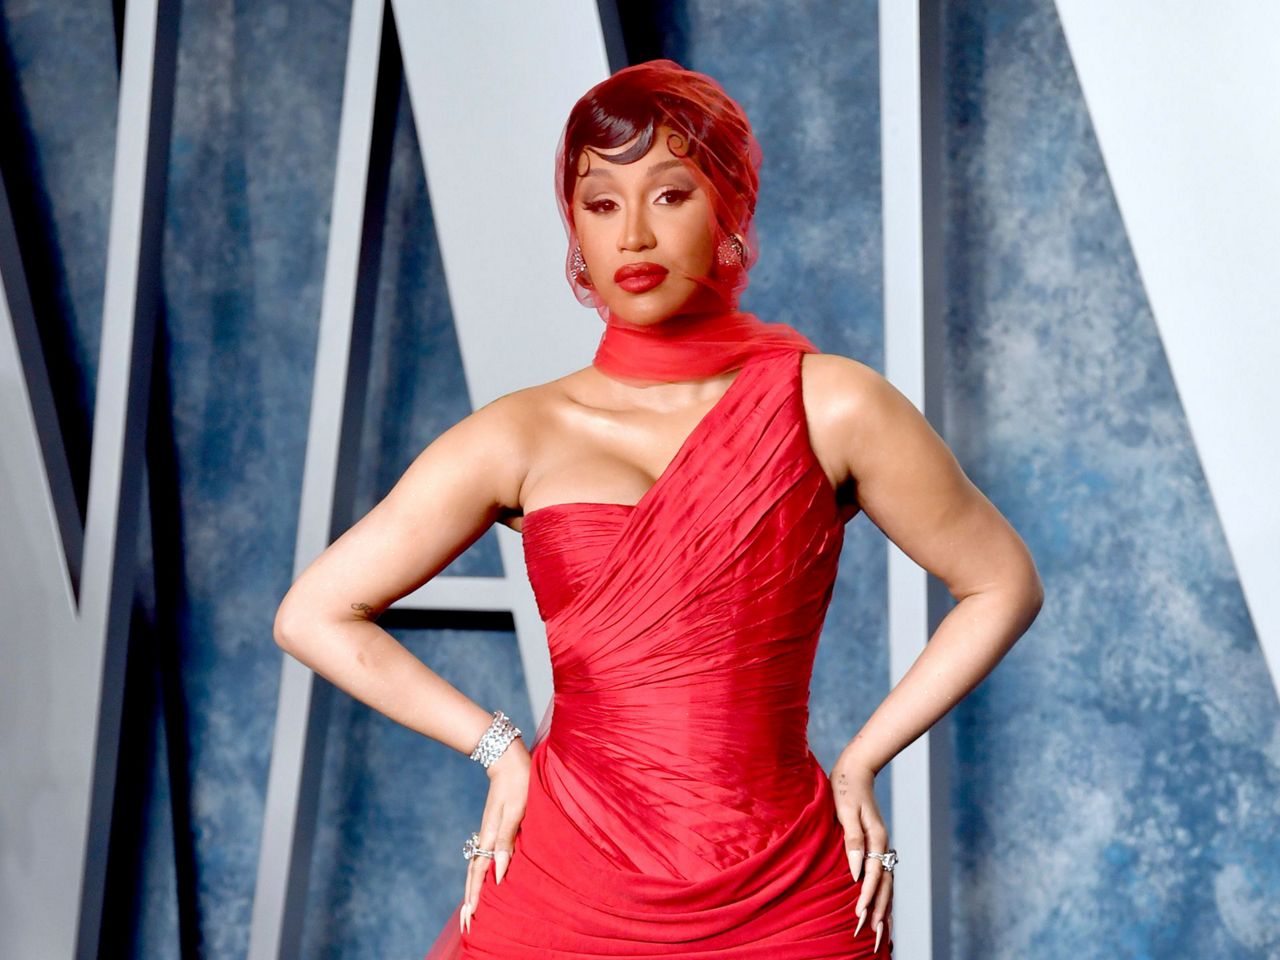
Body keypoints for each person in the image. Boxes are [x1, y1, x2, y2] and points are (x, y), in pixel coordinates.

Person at [273, 59, 1043, 959]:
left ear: (728, 211)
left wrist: (864, 757)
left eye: (670, 195)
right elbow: (313, 613)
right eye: (601, 204)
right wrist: (496, 748)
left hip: (786, 894)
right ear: (576, 230)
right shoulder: (520, 433)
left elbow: (1002, 583)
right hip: (562, 888)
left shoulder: (833, 406)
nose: (633, 233)